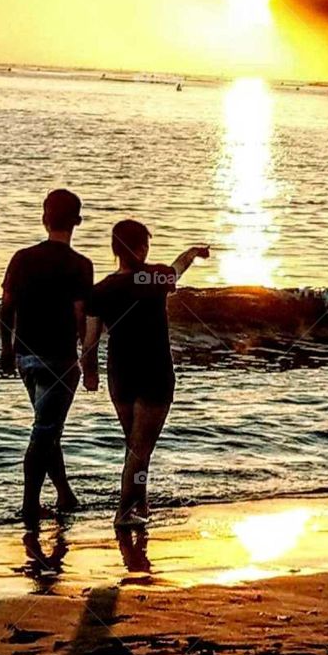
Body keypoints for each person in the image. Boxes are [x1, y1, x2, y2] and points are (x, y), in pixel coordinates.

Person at [82, 219, 208, 526]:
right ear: (141, 248)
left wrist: (90, 373)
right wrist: (192, 252)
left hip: (119, 375)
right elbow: (179, 267)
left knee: (136, 445)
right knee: (140, 447)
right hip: (154, 374)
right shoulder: (154, 277)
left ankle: (140, 504)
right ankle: (125, 511)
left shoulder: (101, 290)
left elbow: (89, 340)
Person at [0, 189, 93, 528]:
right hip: (60, 360)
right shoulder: (81, 265)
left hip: (26, 356)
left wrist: (6, 349)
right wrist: (88, 358)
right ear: (77, 222)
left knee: (48, 426)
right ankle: (29, 506)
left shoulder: (22, 258)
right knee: (44, 431)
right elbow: (81, 316)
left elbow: (6, 306)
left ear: (44, 218)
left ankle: (65, 493)